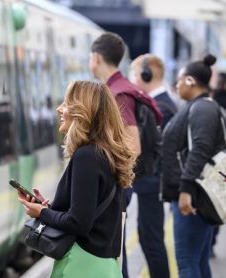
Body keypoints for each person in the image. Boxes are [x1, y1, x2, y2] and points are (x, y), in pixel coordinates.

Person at [18, 81, 136, 277]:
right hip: (103, 265)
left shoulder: (87, 156)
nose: (59, 109)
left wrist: (43, 213)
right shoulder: (104, 154)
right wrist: (45, 208)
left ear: (82, 111)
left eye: (66, 103)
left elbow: (78, 222)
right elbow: (87, 211)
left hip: (82, 265)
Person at [89, 32, 162, 277]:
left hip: (116, 186)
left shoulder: (117, 94)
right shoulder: (119, 88)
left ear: (96, 58)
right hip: (120, 185)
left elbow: (133, 145)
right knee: (114, 251)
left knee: (115, 254)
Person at [161, 54, 225, 278]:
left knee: (187, 261)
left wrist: (185, 190)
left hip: (193, 196)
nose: (176, 85)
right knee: (197, 260)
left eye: (179, 80)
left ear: (190, 81)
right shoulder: (198, 106)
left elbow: (200, 149)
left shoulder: (203, 109)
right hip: (195, 194)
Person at [130, 54, 176, 278]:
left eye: (135, 74)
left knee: (152, 239)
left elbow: (159, 151)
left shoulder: (162, 107)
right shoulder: (162, 104)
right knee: (148, 237)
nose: (133, 79)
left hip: (154, 183)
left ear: (145, 75)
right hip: (152, 183)